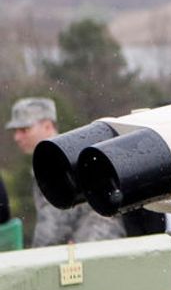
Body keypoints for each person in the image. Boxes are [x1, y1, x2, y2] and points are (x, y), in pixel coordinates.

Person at [7, 97, 125, 246]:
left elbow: (53, 227)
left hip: (93, 243)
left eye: (25, 130)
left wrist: (36, 259)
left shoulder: (54, 163)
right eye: (15, 131)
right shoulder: (63, 156)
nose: (17, 137)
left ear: (48, 127)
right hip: (94, 243)